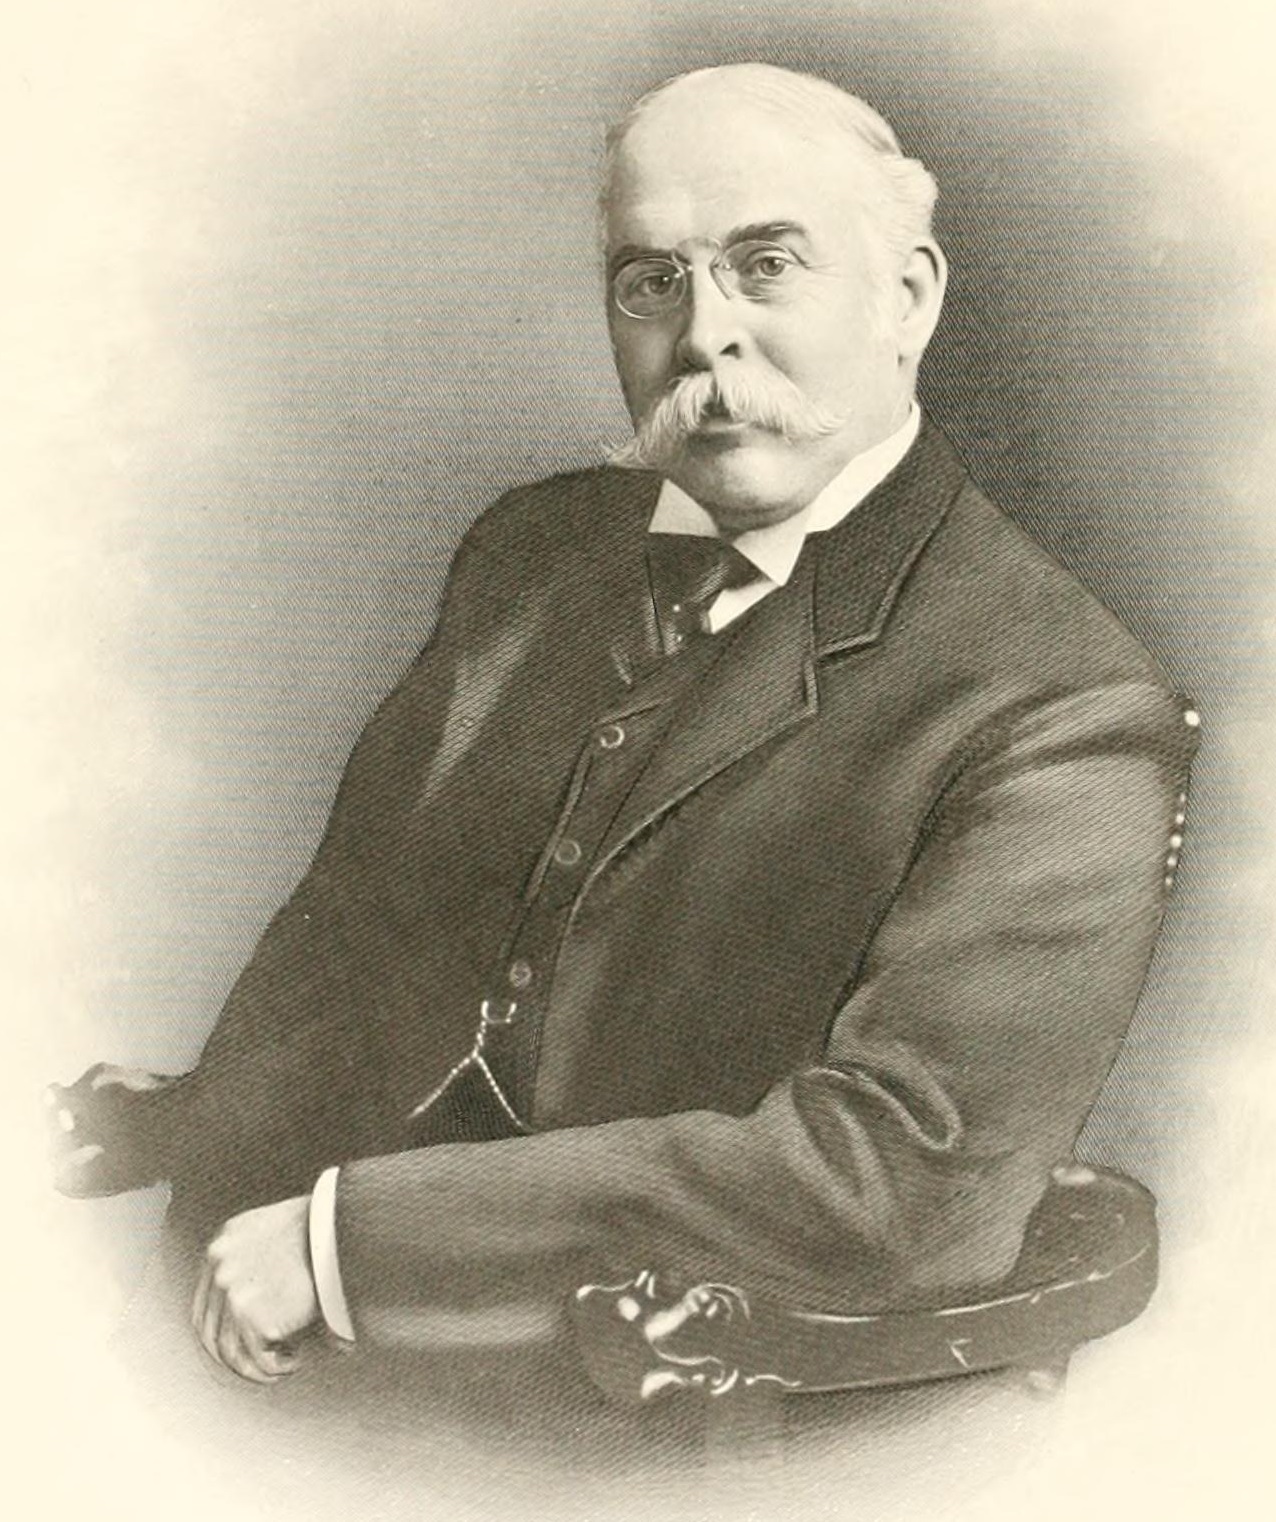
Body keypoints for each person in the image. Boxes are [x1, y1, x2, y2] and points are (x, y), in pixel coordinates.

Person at [49, 62, 1197, 1399]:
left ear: (908, 298)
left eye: (766, 266)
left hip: (674, 1421)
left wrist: (348, 1241)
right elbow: (350, 941)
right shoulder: (535, 552)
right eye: (653, 282)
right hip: (274, 1335)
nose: (704, 337)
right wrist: (198, 1141)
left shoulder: (1062, 702)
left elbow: (893, 1190)